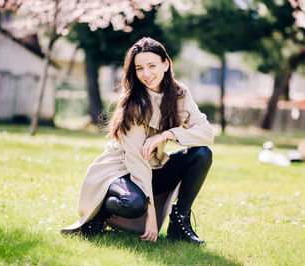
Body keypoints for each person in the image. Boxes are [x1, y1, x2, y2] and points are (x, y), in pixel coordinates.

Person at [61, 37, 214, 245]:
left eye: (152, 66)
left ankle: (179, 224)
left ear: (165, 64)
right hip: (120, 170)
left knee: (202, 154)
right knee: (134, 204)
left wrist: (167, 135)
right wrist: (150, 214)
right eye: (139, 68)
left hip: (152, 166)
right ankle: (99, 213)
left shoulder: (179, 93)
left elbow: (206, 133)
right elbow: (136, 160)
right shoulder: (134, 104)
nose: (146, 74)